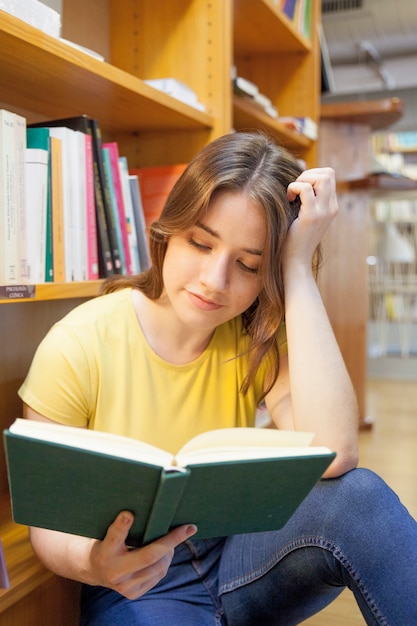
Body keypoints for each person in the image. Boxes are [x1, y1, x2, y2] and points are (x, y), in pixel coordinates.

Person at [19, 131, 417, 625]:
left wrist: (296, 266)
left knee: (359, 497)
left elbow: (336, 452)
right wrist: (95, 564)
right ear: (168, 230)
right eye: (201, 243)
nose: (215, 279)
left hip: (239, 558)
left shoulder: (253, 335)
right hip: (136, 581)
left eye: (249, 265)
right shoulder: (77, 343)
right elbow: (47, 522)